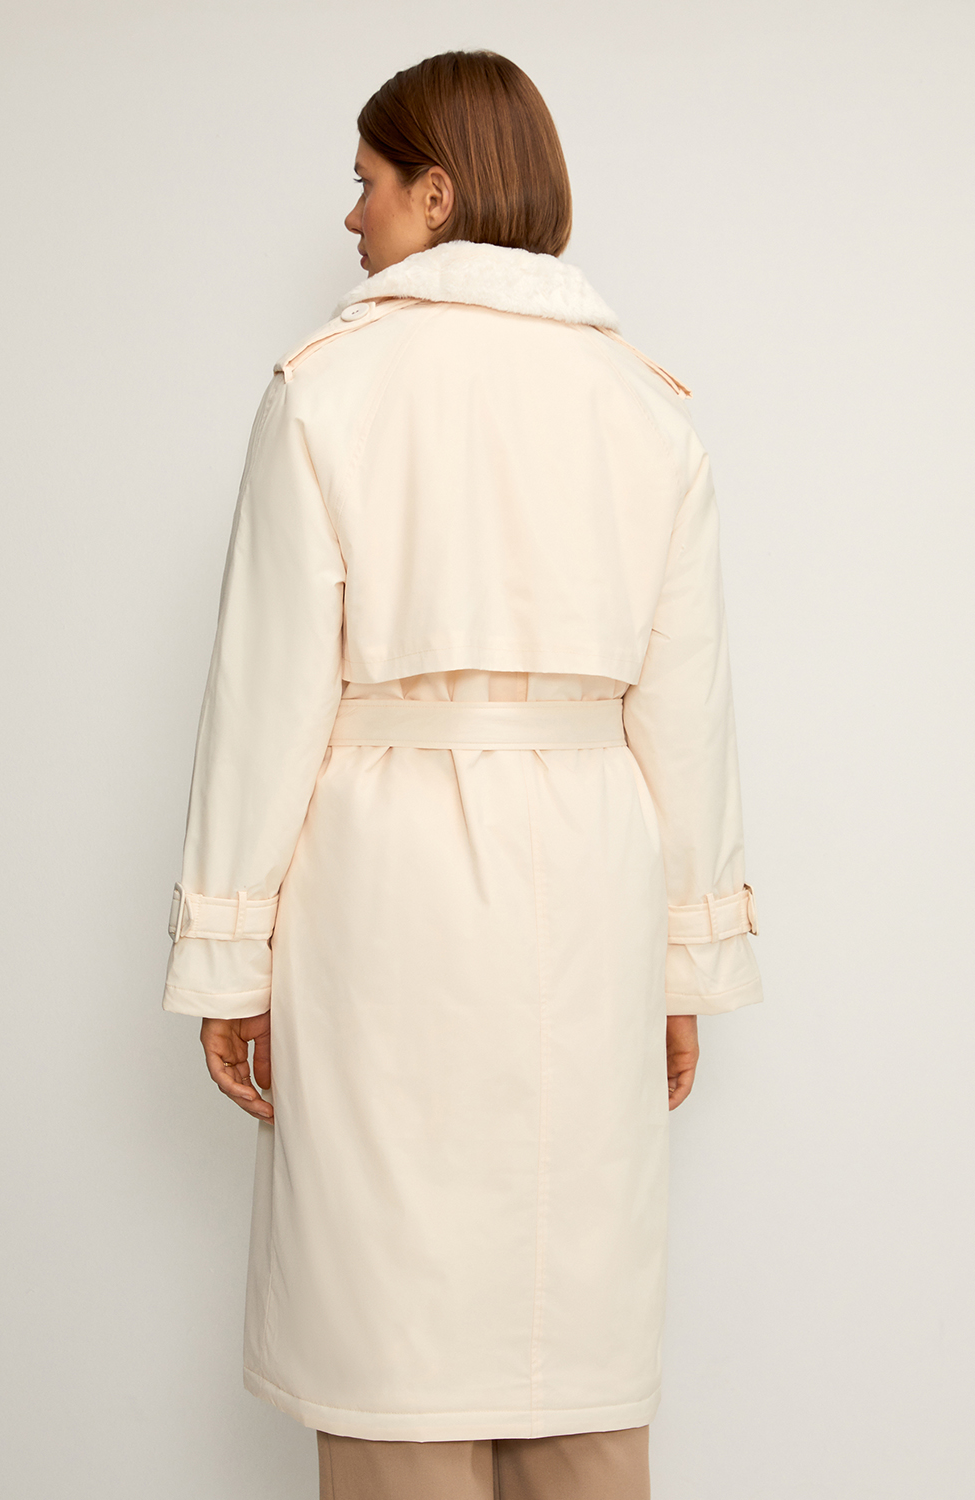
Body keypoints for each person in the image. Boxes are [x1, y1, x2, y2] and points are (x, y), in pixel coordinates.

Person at [162, 49, 762, 1500]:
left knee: (393, 1327)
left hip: (387, 888)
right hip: (591, 888)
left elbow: (266, 696)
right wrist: (684, 963)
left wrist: (228, 957)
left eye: (367, 181)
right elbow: (687, 712)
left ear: (438, 193)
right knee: (573, 1326)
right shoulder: (646, 407)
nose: (349, 215)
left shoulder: (327, 391)